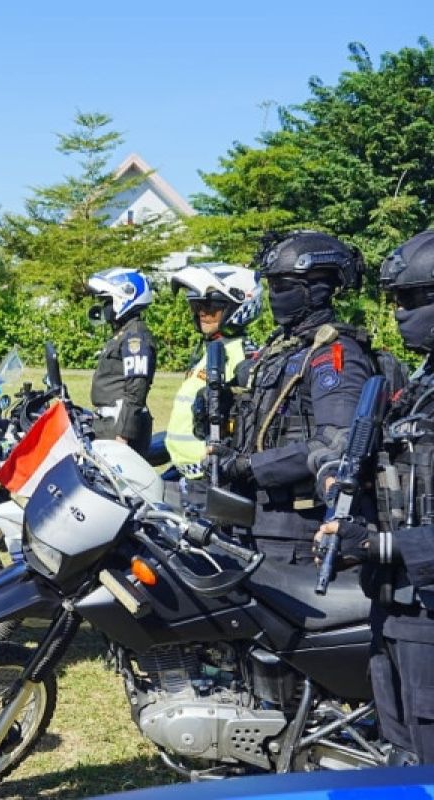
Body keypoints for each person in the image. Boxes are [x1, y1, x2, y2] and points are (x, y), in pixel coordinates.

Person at [316, 229, 434, 764]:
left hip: (427, 612)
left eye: (412, 300)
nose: (401, 314)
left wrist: (381, 546)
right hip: (393, 607)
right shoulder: (417, 383)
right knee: (399, 752)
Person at [214, 231, 372, 563]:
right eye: (271, 286)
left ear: (317, 290)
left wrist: (249, 466)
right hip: (251, 518)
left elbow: (335, 443)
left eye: (284, 287)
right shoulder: (280, 350)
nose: (274, 296)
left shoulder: (335, 355)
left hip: (294, 530)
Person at [165, 263, 261, 485]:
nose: (202, 313)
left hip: (211, 477)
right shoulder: (213, 348)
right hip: (187, 472)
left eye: (212, 306)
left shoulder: (241, 354)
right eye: (197, 305)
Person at [86, 267, 157, 456]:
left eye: (108, 301)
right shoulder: (123, 333)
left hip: (120, 427)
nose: (105, 308)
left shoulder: (136, 337)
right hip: (109, 421)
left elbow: (136, 389)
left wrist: (123, 436)